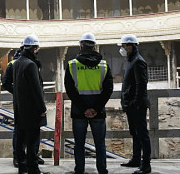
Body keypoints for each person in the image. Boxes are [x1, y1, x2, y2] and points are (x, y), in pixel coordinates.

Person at [64, 32, 113, 174]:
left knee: (79, 144)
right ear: (94, 47)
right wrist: (96, 109)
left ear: (81, 46)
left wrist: (84, 108)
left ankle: (79, 170)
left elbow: (70, 90)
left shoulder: (72, 65)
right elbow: (108, 89)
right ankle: (102, 170)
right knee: (100, 144)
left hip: (79, 111)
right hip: (98, 112)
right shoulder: (103, 66)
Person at [2, 47, 45, 168]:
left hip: (29, 103)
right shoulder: (15, 63)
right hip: (22, 104)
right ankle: (19, 158)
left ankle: (32, 157)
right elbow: (5, 83)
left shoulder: (31, 62)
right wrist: (18, 93)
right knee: (20, 132)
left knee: (32, 133)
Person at [13, 34, 49, 174]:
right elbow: (36, 89)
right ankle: (34, 170)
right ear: (34, 48)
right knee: (32, 142)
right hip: (32, 111)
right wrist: (42, 108)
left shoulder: (17, 63)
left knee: (20, 140)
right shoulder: (31, 64)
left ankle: (22, 168)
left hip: (20, 109)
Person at [118, 34, 151, 174]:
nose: (122, 49)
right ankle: (136, 160)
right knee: (135, 133)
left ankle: (146, 165)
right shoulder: (131, 60)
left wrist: (135, 103)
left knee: (142, 135)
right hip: (131, 105)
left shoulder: (138, 61)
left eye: (123, 46)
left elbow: (141, 84)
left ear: (130, 46)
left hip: (137, 105)